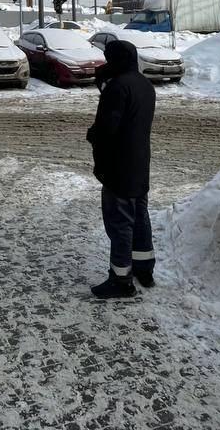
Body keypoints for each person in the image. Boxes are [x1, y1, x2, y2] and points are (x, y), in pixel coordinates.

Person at [86, 39, 155, 298]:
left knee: (120, 224)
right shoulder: (144, 84)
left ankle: (121, 280)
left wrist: (93, 135)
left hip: (119, 166)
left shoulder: (118, 87)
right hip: (139, 163)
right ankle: (144, 268)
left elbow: (108, 128)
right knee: (139, 216)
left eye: (108, 58)